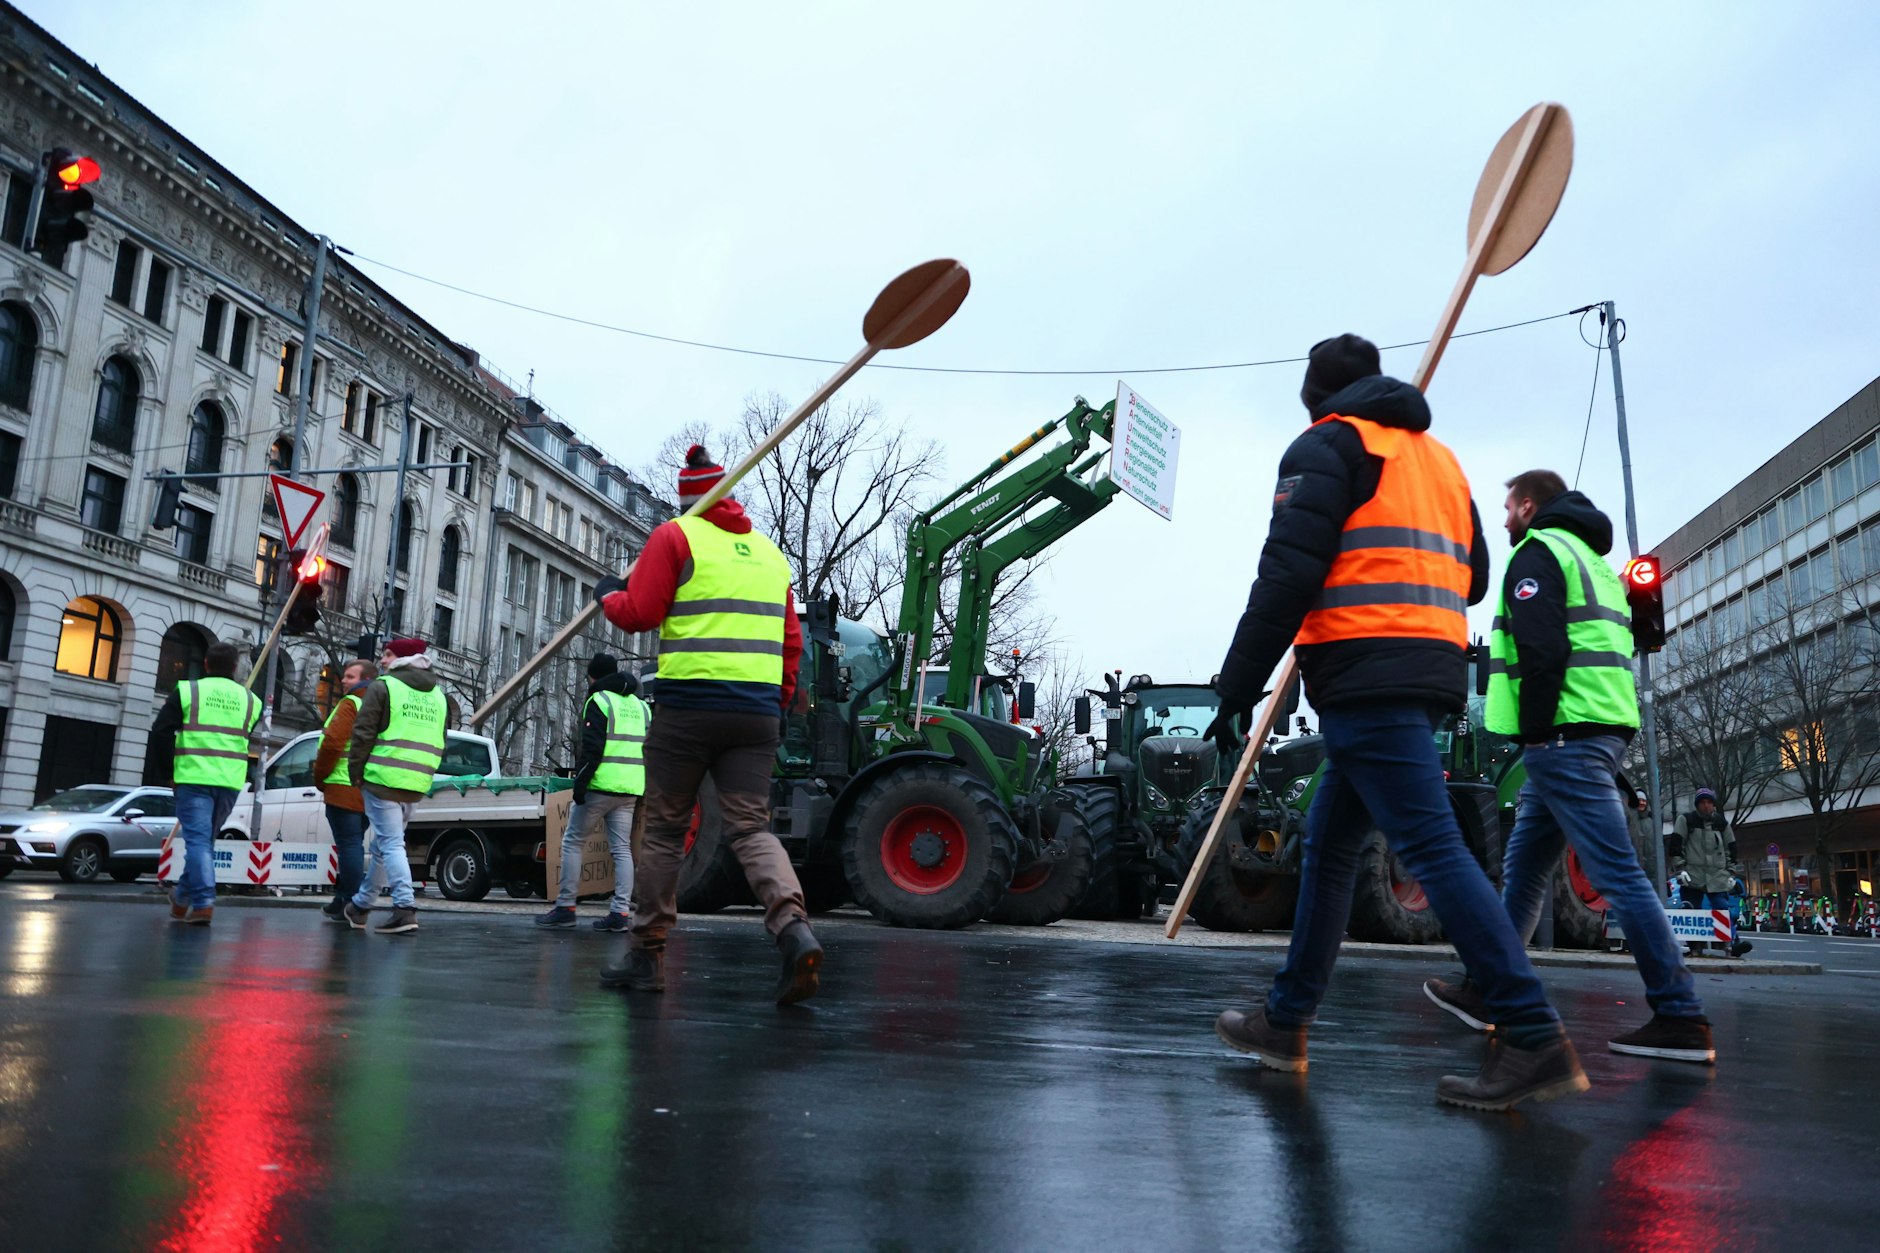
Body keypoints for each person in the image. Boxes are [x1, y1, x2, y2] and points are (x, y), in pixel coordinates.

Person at [1206, 335, 1586, 1111]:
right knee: (1328, 844)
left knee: (1434, 849)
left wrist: (1237, 683)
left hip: (1360, 669)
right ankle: (1285, 1018)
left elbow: (1287, 571)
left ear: (1317, 397)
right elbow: (1476, 574)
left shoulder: (1325, 446)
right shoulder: (1440, 461)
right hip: (1425, 671)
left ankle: (1531, 1029)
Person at [1423, 471, 1718, 1064]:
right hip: (1594, 729)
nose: (1505, 519)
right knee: (1526, 867)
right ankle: (1489, 990)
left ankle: (1680, 1014)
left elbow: (1543, 650)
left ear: (1529, 506)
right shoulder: (1591, 560)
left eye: (1509, 508)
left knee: (1617, 875)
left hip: (1564, 737)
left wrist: (1535, 735)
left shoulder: (1539, 552)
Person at [593, 443, 823, 1005]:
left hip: (688, 711)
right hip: (756, 715)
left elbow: (642, 613)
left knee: (667, 830)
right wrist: (779, 700)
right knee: (751, 828)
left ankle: (646, 957)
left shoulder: (675, 537)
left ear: (688, 499)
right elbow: (792, 642)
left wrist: (608, 597)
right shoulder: (770, 556)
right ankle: (794, 928)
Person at [341, 637, 457, 935]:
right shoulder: (439, 696)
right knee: (383, 844)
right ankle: (361, 906)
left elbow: (363, 733)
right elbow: (442, 740)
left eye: (388, 654)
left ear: (403, 659)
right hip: (416, 781)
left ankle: (404, 908)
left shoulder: (384, 687)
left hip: (382, 778)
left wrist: (356, 773)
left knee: (390, 844)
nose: (382, 660)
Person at [148, 640, 262, 926]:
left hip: (194, 777)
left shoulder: (188, 690)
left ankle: (203, 901)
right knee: (204, 843)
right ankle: (181, 900)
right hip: (230, 780)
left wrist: (167, 773)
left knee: (198, 842)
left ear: (206, 664)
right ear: (236, 668)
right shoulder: (252, 700)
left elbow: (161, 732)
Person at [537, 653, 646, 932]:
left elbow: (592, 748)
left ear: (593, 677)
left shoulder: (598, 701)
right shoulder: (641, 706)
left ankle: (566, 908)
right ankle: (620, 913)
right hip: (631, 788)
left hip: (601, 786)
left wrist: (580, 785)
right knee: (621, 850)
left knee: (573, 842)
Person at [314, 657, 378, 921]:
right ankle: (341, 897)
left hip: (343, 785)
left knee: (349, 845)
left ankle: (350, 900)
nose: (343, 680)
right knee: (353, 844)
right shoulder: (379, 706)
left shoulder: (351, 703)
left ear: (365, 679)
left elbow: (331, 744)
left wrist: (320, 776)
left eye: (350, 676)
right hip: (368, 787)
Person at [1668, 788, 1752, 955]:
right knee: (1692, 911)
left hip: (1717, 875)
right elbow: (1676, 845)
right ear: (1697, 805)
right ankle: (1695, 947)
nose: (1706, 806)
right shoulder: (1686, 821)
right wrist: (1681, 869)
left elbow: (1731, 848)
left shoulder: (1721, 824)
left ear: (1713, 805)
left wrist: (1730, 872)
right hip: (1693, 874)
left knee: (1722, 908)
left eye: (1709, 803)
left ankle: (1730, 943)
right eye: (1702, 803)